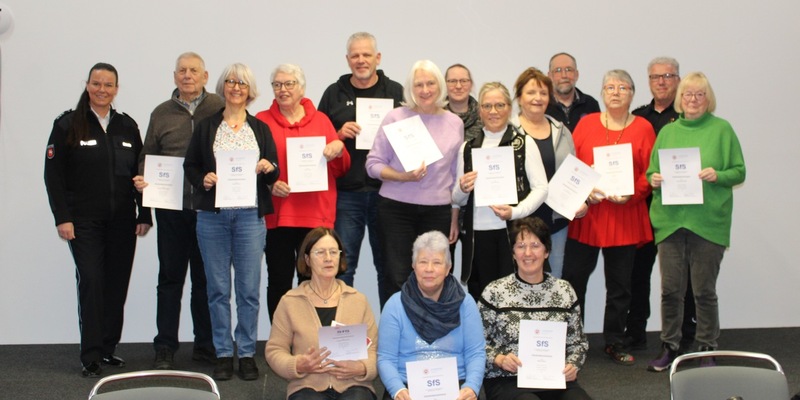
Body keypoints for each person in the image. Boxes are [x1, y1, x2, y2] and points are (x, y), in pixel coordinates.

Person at [44, 62, 152, 377]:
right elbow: (53, 176)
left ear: (116, 89)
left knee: (116, 284)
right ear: (87, 85)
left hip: (122, 221)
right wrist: (62, 218)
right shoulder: (67, 125)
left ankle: (107, 349)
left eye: (108, 85)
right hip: (83, 222)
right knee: (92, 280)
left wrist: (144, 213)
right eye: (96, 83)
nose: (102, 89)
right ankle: (90, 354)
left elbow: (140, 174)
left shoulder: (127, 126)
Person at [183, 63, 280, 381]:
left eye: (242, 83)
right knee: (217, 289)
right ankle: (224, 353)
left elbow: (274, 170)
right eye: (230, 81)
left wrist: (268, 166)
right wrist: (204, 179)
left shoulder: (260, 128)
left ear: (250, 90)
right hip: (213, 218)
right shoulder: (208, 126)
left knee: (249, 290)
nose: (236, 87)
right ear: (223, 87)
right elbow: (191, 166)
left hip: (250, 218)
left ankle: (248, 352)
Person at [646, 72, 746, 372]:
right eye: (688, 94)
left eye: (699, 95)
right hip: (672, 222)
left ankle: (707, 347)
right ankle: (670, 345)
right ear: (680, 98)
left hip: (708, 222)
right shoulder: (668, 132)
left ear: (708, 99)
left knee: (704, 291)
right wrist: (656, 179)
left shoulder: (722, 130)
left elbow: (739, 171)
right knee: (670, 291)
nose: (692, 100)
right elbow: (652, 173)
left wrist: (719, 175)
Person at [133, 51, 223, 370]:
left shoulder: (220, 108)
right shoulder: (161, 113)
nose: (187, 75)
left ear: (205, 76)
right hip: (171, 210)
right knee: (170, 278)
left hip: (210, 209)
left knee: (206, 280)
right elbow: (147, 155)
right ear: (174, 77)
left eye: (193, 71)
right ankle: (165, 347)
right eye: (182, 70)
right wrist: (145, 177)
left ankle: (205, 345)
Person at [561, 70, 656, 366]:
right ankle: (568, 341)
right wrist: (583, 190)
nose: (615, 92)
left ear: (632, 94)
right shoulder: (586, 123)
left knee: (620, 286)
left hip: (625, 216)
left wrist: (634, 193)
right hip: (588, 215)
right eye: (610, 87)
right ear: (602, 93)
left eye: (623, 87)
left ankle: (614, 341)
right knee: (574, 280)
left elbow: (650, 172)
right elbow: (572, 165)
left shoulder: (643, 127)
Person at [256, 63, 351, 321]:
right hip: (279, 215)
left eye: (289, 84)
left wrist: (338, 150)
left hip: (316, 215)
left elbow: (341, 169)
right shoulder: (261, 122)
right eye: (277, 84)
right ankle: (282, 340)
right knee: (279, 280)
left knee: (315, 280)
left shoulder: (321, 121)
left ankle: (315, 338)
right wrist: (268, 184)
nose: (283, 90)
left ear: (301, 88)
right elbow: (252, 168)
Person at [366, 60, 463, 307]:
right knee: (396, 276)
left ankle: (431, 335)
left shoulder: (455, 122)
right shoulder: (395, 118)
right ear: (410, 88)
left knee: (434, 278)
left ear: (440, 86)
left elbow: (454, 175)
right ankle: (397, 337)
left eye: (430, 83)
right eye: (418, 84)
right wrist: (403, 177)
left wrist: (454, 215)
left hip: (438, 212)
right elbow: (373, 164)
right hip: (395, 209)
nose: (425, 90)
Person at [318, 32, 403, 289]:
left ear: (377, 57)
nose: (361, 60)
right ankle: (341, 329)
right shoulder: (333, 93)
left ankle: (391, 329)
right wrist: (339, 134)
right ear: (347, 60)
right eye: (355, 55)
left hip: (387, 192)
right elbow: (317, 142)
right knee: (342, 267)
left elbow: (412, 139)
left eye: (366, 54)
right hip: (346, 194)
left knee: (389, 267)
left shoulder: (396, 92)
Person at [452, 82, 548, 300]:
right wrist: (462, 188)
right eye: (487, 106)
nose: (493, 112)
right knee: (482, 294)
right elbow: (455, 198)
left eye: (499, 105)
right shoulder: (467, 147)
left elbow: (542, 188)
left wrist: (515, 212)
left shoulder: (523, 143)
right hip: (477, 234)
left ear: (509, 108)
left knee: (516, 293)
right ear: (479, 110)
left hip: (513, 232)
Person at [626, 57, 696, 352]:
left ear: (678, 79)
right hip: (643, 207)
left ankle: (686, 331)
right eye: (656, 77)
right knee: (637, 273)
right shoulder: (638, 118)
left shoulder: (688, 117)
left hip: (679, 210)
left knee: (684, 276)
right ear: (649, 81)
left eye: (668, 76)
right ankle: (636, 332)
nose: (662, 81)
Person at [480, 217, 592, 400]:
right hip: (507, 379)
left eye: (535, 245)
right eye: (521, 246)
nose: (528, 253)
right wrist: (499, 359)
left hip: (555, 378)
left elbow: (578, 343)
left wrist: (573, 364)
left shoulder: (564, 291)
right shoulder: (495, 291)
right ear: (513, 253)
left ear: (547, 251)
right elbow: (476, 342)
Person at [266, 227, 378, 400]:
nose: (328, 258)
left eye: (334, 252)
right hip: (307, 386)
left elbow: (375, 350)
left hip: (353, 384)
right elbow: (275, 350)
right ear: (307, 259)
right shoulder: (290, 302)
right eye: (320, 252)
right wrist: (298, 365)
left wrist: (362, 368)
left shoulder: (358, 301)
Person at [377, 231, 485, 400]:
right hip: (407, 388)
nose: (429, 269)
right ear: (413, 265)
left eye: (437, 262)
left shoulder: (466, 303)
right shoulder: (395, 305)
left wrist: (471, 387)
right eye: (423, 262)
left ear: (448, 268)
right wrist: (397, 390)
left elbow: (475, 353)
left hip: (458, 387)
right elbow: (385, 358)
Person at [512, 67, 586, 279]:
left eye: (543, 93)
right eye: (531, 92)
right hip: (519, 222)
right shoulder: (508, 131)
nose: (538, 98)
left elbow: (576, 173)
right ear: (519, 97)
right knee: (519, 281)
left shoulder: (561, 130)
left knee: (553, 281)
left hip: (555, 222)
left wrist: (583, 201)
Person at [545, 53, 600, 133]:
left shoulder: (591, 104)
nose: (564, 75)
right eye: (558, 70)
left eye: (568, 70)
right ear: (550, 76)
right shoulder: (543, 106)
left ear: (576, 75)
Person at [445, 64, 483, 142]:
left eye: (463, 81)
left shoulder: (484, 116)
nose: (458, 86)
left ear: (471, 85)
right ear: (444, 85)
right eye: (453, 81)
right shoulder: (435, 117)